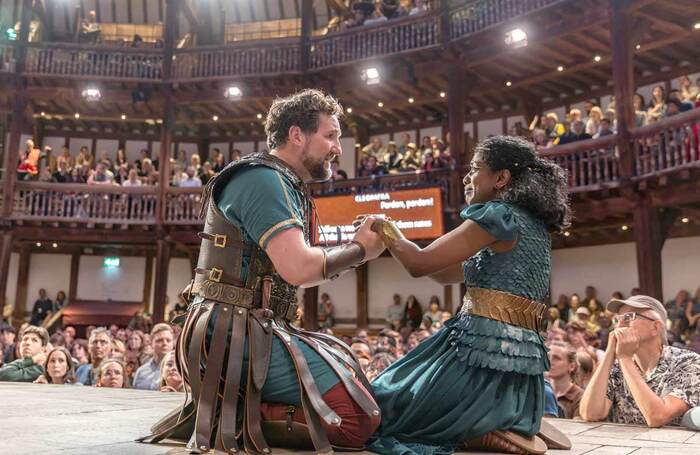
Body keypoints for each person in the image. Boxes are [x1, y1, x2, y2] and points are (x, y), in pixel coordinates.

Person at [142, 89, 383, 453]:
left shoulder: (282, 181)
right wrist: (360, 250)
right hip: (233, 335)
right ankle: (236, 415)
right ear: (297, 135)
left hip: (259, 331)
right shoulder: (263, 179)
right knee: (356, 421)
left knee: (365, 392)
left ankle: (239, 410)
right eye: (331, 135)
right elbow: (299, 268)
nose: (339, 148)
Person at [362, 135, 571, 454]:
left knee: (383, 403)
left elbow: (419, 264)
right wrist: (411, 249)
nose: (467, 176)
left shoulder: (498, 215)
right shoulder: (533, 225)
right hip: (516, 377)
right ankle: (492, 424)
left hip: (478, 364)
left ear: (501, 178)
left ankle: (475, 428)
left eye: (475, 168)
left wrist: (385, 229)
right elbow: (443, 272)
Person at [580, 295, 700, 427]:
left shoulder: (687, 362)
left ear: (655, 327)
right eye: (617, 319)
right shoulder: (616, 367)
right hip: (620, 445)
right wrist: (609, 354)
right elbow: (590, 413)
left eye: (628, 317)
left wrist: (625, 358)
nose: (619, 326)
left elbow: (657, 417)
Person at [132, 323, 174, 390]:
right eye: (159, 340)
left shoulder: (179, 372)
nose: (165, 343)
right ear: (151, 343)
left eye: (168, 340)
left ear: (173, 343)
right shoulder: (141, 372)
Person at [547, 342, 583, 419]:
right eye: (548, 357)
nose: (550, 361)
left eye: (556, 358)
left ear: (571, 366)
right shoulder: (540, 391)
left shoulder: (580, 397)